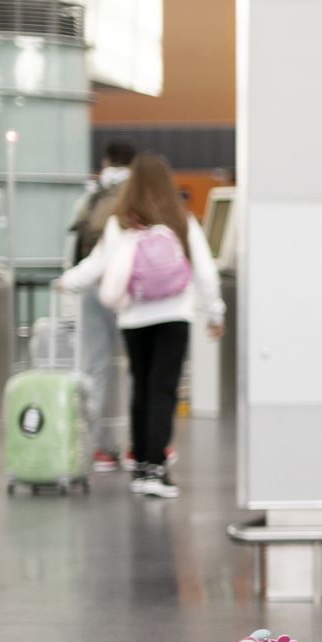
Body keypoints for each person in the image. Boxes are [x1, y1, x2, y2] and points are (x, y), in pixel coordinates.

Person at [57, 154, 223, 499]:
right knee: (163, 391)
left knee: (142, 390)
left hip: (133, 318)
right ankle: (155, 468)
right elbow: (206, 273)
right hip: (174, 317)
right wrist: (215, 314)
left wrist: (67, 281)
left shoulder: (120, 224)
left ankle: (140, 469)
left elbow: (95, 265)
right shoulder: (182, 220)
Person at [68, 140, 134, 473]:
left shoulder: (95, 191)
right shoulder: (136, 193)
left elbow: (77, 233)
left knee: (97, 366)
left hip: (93, 288)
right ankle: (139, 445)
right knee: (137, 366)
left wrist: (72, 279)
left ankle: (101, 448)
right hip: (127, 291)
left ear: (106, 161)